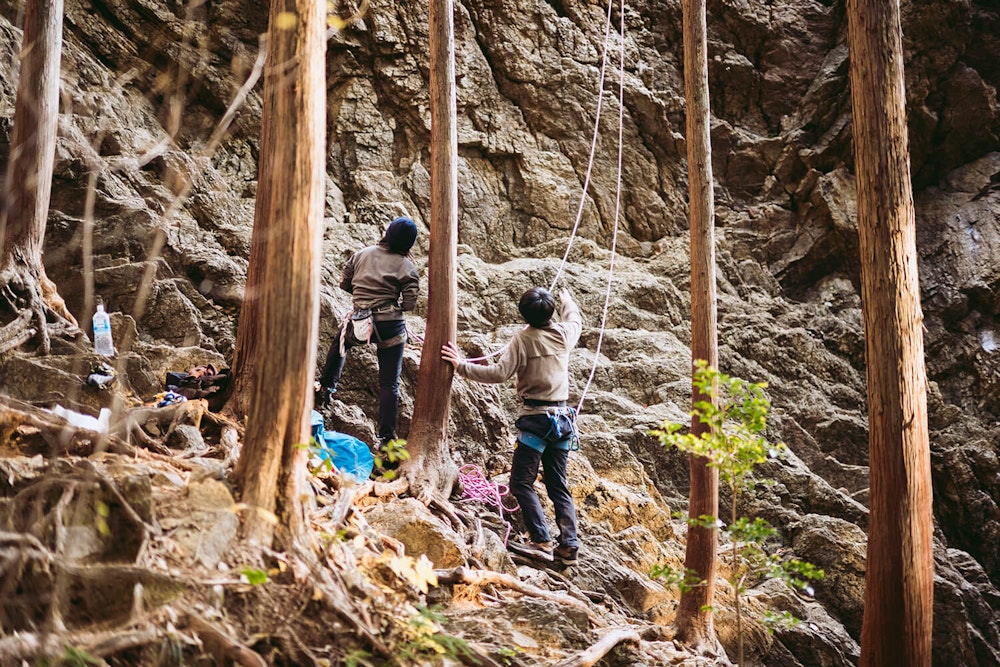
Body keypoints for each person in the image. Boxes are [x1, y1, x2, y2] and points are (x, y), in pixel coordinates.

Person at [442, 286, 582, 565]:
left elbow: (499, 373)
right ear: (552, 311)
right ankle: (569, 545)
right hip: (563, 421)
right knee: (558, 485)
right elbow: (575, 318)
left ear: (523, 314)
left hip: (535, 420)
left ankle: (541, 540)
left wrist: (460, 366)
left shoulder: (523, 339)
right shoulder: (565, 334)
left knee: (520, 483)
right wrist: (567, 302)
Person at [317, 216, 420, 449]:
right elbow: (409, 304)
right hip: (390, 325)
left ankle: (326, 387)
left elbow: (345, 284)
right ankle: (386, 438)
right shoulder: (408, 267)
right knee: (389, 383)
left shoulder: (361, 254)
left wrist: (364, 294)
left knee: (341, 343)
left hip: (361, 321)